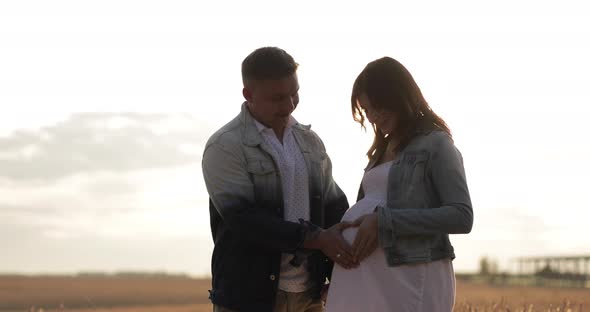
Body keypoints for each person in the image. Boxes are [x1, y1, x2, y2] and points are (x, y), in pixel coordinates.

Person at [202, 47, 354, 312]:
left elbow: (334, 209)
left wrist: (338, 276)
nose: (289, 105)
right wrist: (317, 238)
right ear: (248, 95)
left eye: (295, 93)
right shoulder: (225, 146)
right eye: (278, 98)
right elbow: (244, 220)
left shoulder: (310, 142)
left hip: (310, 296)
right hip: (248, 298)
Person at [325, 57, 474, 312]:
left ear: (397, 96)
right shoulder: (379, 151)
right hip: (362, 279)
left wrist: (384, 222)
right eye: (366, 110)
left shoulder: (437, 144)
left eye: (376, 107)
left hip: (409, 276)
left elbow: (462, 216)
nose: (372, 117)